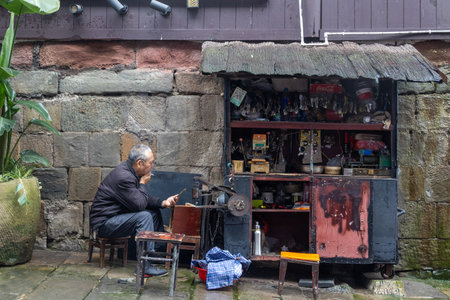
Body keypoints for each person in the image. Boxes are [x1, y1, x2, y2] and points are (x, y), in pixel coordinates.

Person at [90, 144, 179, 277]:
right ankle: (144, 267)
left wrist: (163, 203)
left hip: (115, 218)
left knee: (153, 213)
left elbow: (140, 198)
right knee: (144, 216)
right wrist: (142, 183)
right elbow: (139, 204)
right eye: (151, 163)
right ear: (139, 163)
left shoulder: (130, 172)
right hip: (104, 223)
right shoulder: (123, 177)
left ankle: (150, 255)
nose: (152, 166)